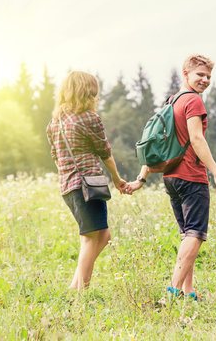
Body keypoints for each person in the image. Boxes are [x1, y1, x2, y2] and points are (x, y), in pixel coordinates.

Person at [129, 54, 216, 300]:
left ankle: (189, 292)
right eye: (200, 75)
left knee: (187, 236)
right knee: (195, 234)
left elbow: (155, 143)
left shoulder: (171, 101)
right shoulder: (193, 101)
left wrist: (141, 178)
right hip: (191, 177)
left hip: (171, 178)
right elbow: (197, 139)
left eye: (208, 76)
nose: (205, 80)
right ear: (185, 74)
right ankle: (173, 291)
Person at [46, 71, 131, 290]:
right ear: (88, 92)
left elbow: (55, 156)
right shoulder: (89, 118)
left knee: (99, 235)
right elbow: (105, 152)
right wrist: (117, 179)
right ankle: (79, 291)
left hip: (68, 187)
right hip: (87, 186)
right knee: (92, 238)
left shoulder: (55, 123)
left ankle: (76, 286)